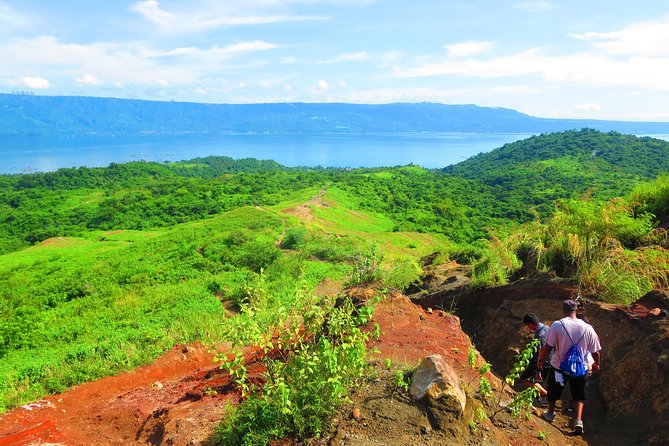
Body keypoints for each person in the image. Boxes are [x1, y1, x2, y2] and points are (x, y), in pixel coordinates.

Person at [537, 299, 601, 436]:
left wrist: (541, 360)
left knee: (554, 390)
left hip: (559, 366)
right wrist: (596, 364)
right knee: (579, 395)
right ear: (576, 310)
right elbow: (596, 351)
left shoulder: (557, 325)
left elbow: (548, 347)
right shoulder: (588, 328)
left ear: (564, 310)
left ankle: (550, 413)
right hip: (580, 368)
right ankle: (578, 421)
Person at [520, 313, 550, 404]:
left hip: (541, 360)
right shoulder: (547, 328)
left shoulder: (539, 335)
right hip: (550, 359)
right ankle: (537, 397)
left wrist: (539, 363)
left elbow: (541, 349)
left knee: (525, 378)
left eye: (527, 325)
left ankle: (546, 394)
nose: (528, 327)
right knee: (538, 380)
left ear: (531, 323)